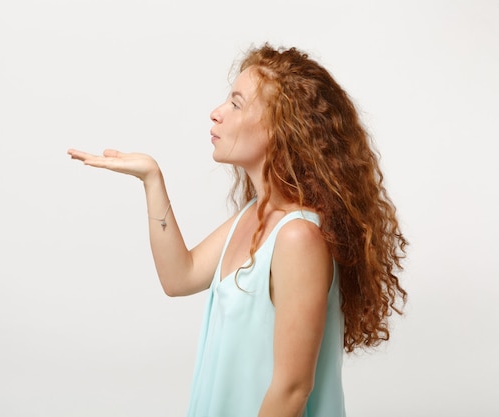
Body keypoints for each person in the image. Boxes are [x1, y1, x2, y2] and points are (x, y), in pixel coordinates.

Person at [68, 43, 407, 417]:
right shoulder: (254, 216)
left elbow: (292, 390)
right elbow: (178, 278)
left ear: (282, 128)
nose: (216, 114)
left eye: (236, 104)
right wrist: (152, 179)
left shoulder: (298, 237)